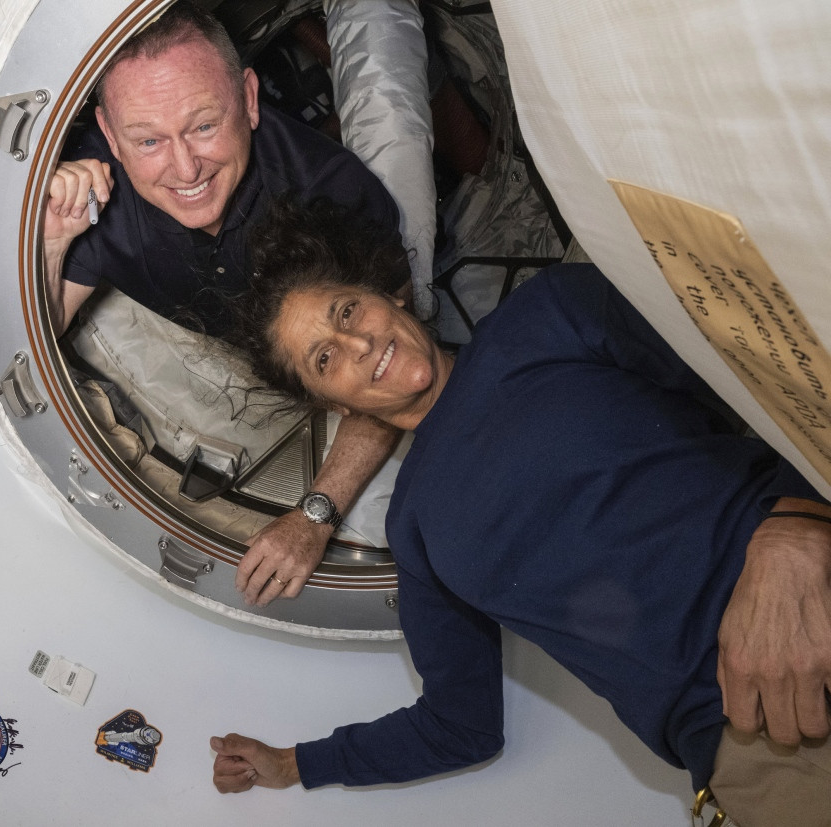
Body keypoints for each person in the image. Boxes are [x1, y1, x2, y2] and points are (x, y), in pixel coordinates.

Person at [209, 198, 831, 826]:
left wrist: (797, 529)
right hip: (758, 742)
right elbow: (460, 726)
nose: (360, 342)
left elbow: (771, 374)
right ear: (333, 405)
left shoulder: (549, 312)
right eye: (325, 358)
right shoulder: (415, 528)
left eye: (347, 311)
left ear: (389, 296)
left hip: (814, 587)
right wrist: (294, 764)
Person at [43, 2, 414, 606]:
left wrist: (313, 515)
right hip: (231, 343)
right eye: (148, 140)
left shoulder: (333, 194)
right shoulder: (97, 190)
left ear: (247, 97)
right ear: (109, 135)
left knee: (395, 125)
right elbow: (40, 329)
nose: (184, 166)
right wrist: (55, 239)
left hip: (335, 322)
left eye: (204, 126)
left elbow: (395, 366)